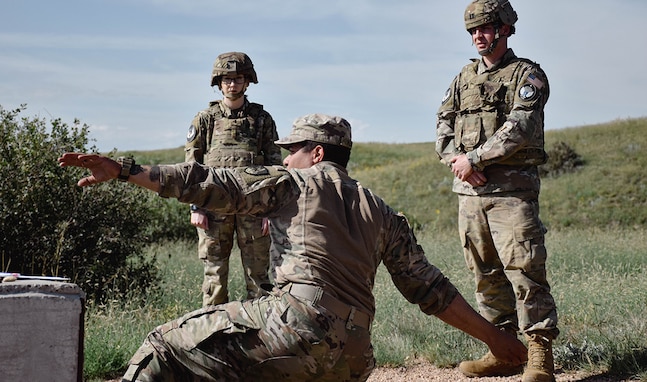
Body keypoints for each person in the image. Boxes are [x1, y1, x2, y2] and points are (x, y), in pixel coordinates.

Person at [59, 113, 527, 382]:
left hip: (296, 329)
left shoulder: (292, 183)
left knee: (163, 346)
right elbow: (431, 291)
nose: (284, 157)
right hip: (354, 359)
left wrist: (123, 170)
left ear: (317, 153)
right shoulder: (383, 212)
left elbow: (207, 182)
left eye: (293, 148)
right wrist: (498, 340)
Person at [435, 1, 558, 381]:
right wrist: (457, 160)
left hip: (511, 194)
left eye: (486, 29)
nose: (478, 37)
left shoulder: (528, 75)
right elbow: (443, 123)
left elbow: (519, 128)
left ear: (505, 29)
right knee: (484, 273)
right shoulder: (463, 77)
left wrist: (475, 160)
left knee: (524, 269)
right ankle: (504, 351)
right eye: (473, 31)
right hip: (469, 195)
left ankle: (539, 355)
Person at [185, 51, 281, 306]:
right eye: (226, 79)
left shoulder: (262, 120)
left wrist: (270, 211)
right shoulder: (205, 119)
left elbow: (276, 168)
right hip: (213, 207)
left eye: (238, 78)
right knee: (214, 277)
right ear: (218, 83)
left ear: (247, 81)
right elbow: (192, 167)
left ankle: (263, 339)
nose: (232, 84)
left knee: (259, 278)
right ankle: (214, 337)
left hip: (254, 208)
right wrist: (197, 207)